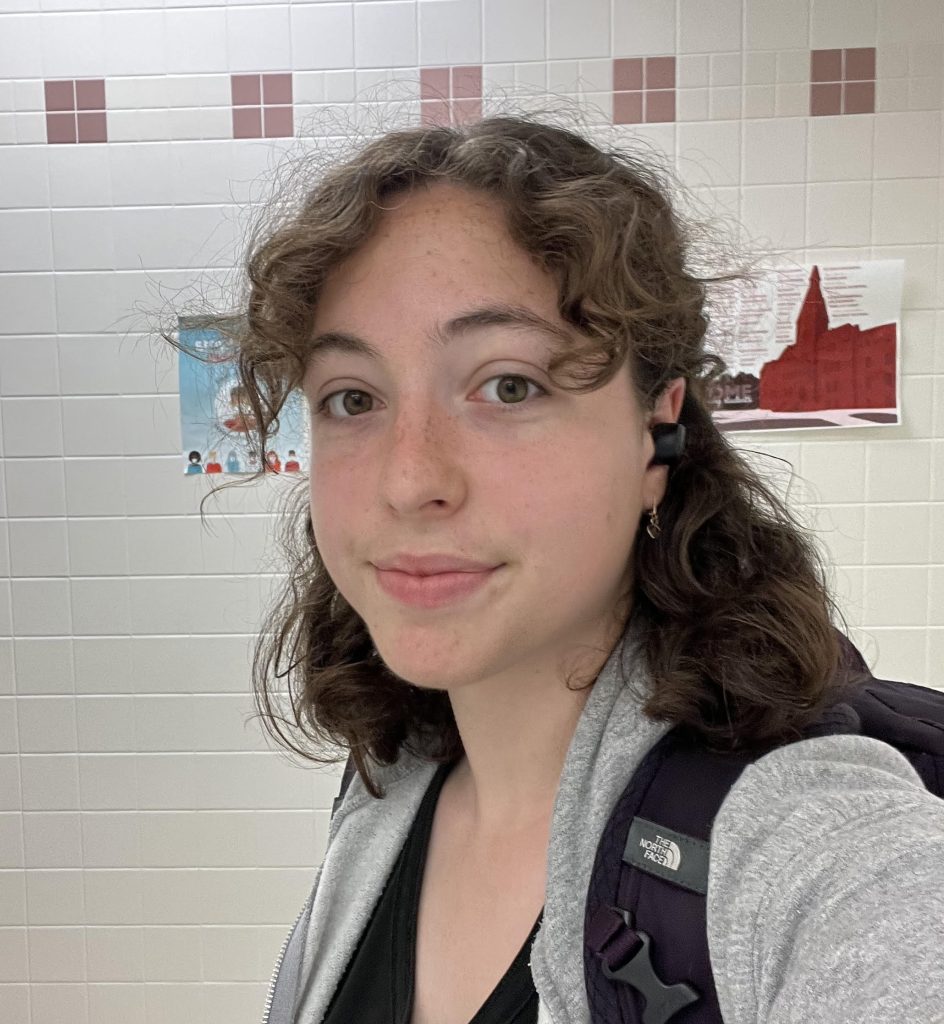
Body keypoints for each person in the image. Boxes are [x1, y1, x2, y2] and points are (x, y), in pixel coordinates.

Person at [227, 115, 944, 1023]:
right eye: (353, 398)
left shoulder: (806, 845)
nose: (409, 480)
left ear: (658, 431)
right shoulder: (393, 782)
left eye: (509, 385)